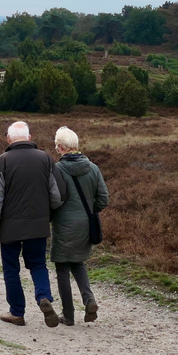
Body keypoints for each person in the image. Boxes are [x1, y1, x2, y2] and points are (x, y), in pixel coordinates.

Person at [0, 120, 63, 326]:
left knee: (11, 269)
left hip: (9, 228)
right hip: (38, 226)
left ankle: (17, 312)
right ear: (29, 138)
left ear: (9, 139)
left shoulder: (1, 162)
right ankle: (43, 297)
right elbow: (57, 195)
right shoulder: (46, 159)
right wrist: (48, 214)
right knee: (38, 264)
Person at [50, 126, 108, 325]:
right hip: (85, 223)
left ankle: (68, 315)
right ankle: (88, 299)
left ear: (61, 146)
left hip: (63, 224)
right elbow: (103, 199)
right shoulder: (93, 168)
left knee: (62, 267)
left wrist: (51, 215)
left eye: (57, 145)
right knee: (78, 263)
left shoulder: (57, 169)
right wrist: (90, 211)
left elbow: (53, 199)